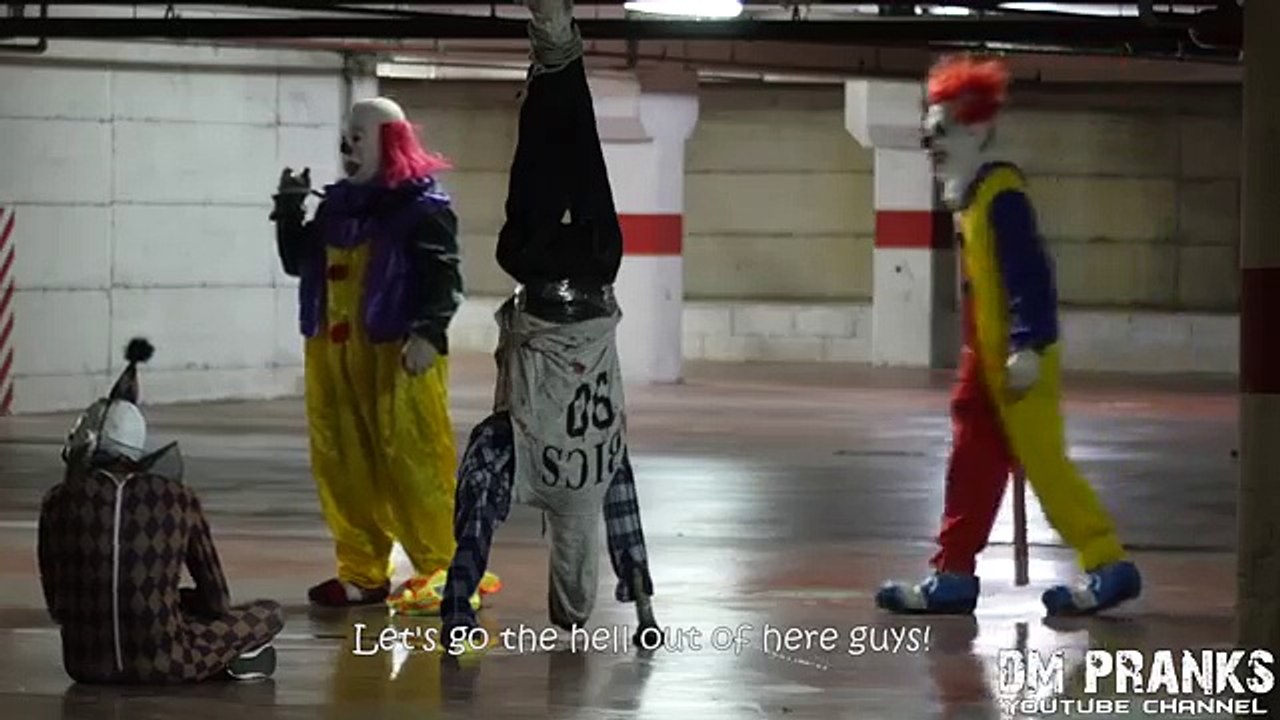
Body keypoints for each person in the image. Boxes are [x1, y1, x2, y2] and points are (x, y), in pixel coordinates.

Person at [875, 55, 1141, 617]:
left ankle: (1108, 563)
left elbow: (1031, 276)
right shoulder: (970, 199)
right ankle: (952, 574)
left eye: (942, 129)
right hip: (985, 363)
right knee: (970, 466)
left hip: (1020, 360)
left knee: (1046, 467)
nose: (931, 142)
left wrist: (1030, 343)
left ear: (978, 130)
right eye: (928, 133)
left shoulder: (1002, 196)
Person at [437, 0, 659, 649]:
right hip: (536, 275)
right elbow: (477, 504)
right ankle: (550, 48)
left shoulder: (603, 464)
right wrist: (457, 607)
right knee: (539, 153)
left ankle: (557, 46)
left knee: (579, 144)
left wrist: (646, 610)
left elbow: (626, 519)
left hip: (596, 268)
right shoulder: (552, 464)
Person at [271, 96, 500, 610]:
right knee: (342, 461)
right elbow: (297, 263)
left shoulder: (422, 208)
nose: (347, 146)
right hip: (333, 352)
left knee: (413, 461)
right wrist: (289, 209)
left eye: (358, 136)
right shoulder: (336, 207)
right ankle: (362, 571)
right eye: (346, 136)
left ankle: (446, 569)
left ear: (388, 142)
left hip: (396, 350)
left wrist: (428, 333)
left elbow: (445, 278)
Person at [38, 338, 284, 683]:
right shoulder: (178, 498)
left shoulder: (56, 501)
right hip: (166, 662)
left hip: (84, 664)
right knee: (269, 613)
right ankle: (228, 657)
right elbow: (217, 601)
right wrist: (177, 604)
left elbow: (57, 606)